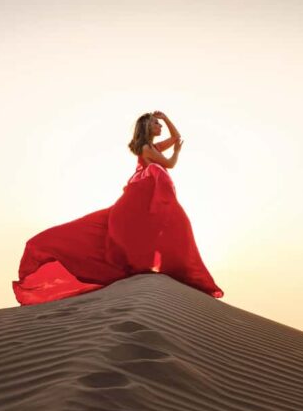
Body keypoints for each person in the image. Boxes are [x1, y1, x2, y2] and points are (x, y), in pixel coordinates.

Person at [11, 111, 224, 305]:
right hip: (142, 199)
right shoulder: (147, 148)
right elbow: (170, 164)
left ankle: (164, 268)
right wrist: (176, 152)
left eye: (161, 124)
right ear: (148, 127)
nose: (160, 127)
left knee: (169, 228)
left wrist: (167, 119)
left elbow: (176, 137)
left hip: (152, 199)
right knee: (118, 231)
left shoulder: (153, 147)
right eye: (156, 124)